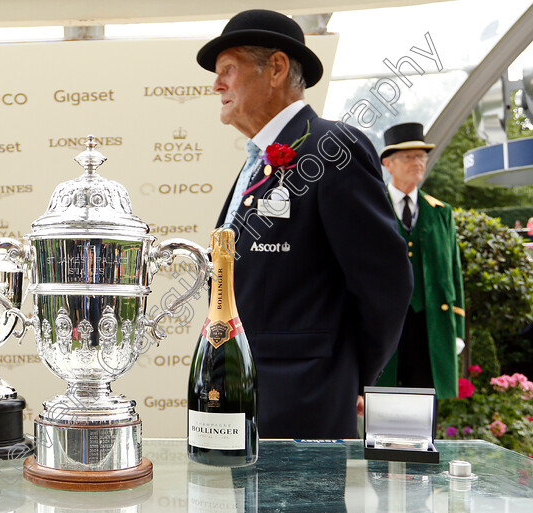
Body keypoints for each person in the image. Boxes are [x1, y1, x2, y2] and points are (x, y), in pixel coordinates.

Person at [199, 10, 413, 438]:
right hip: (243, 395)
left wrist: (345, 373)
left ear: (275, 68)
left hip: (303, 401)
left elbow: (385, 284)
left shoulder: (332, 148)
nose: (217, 85)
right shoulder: (258, 161)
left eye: (228, 70)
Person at [375, 123, 464, 399]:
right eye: (408, 156)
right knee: (385, 404)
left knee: (427, 409)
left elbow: (454, 273)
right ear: (388, 163)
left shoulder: (440, 212)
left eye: (421, 156)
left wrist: (457, 329)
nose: (418, 163)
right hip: (386, 325)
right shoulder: (372, 208)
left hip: (431, 325)